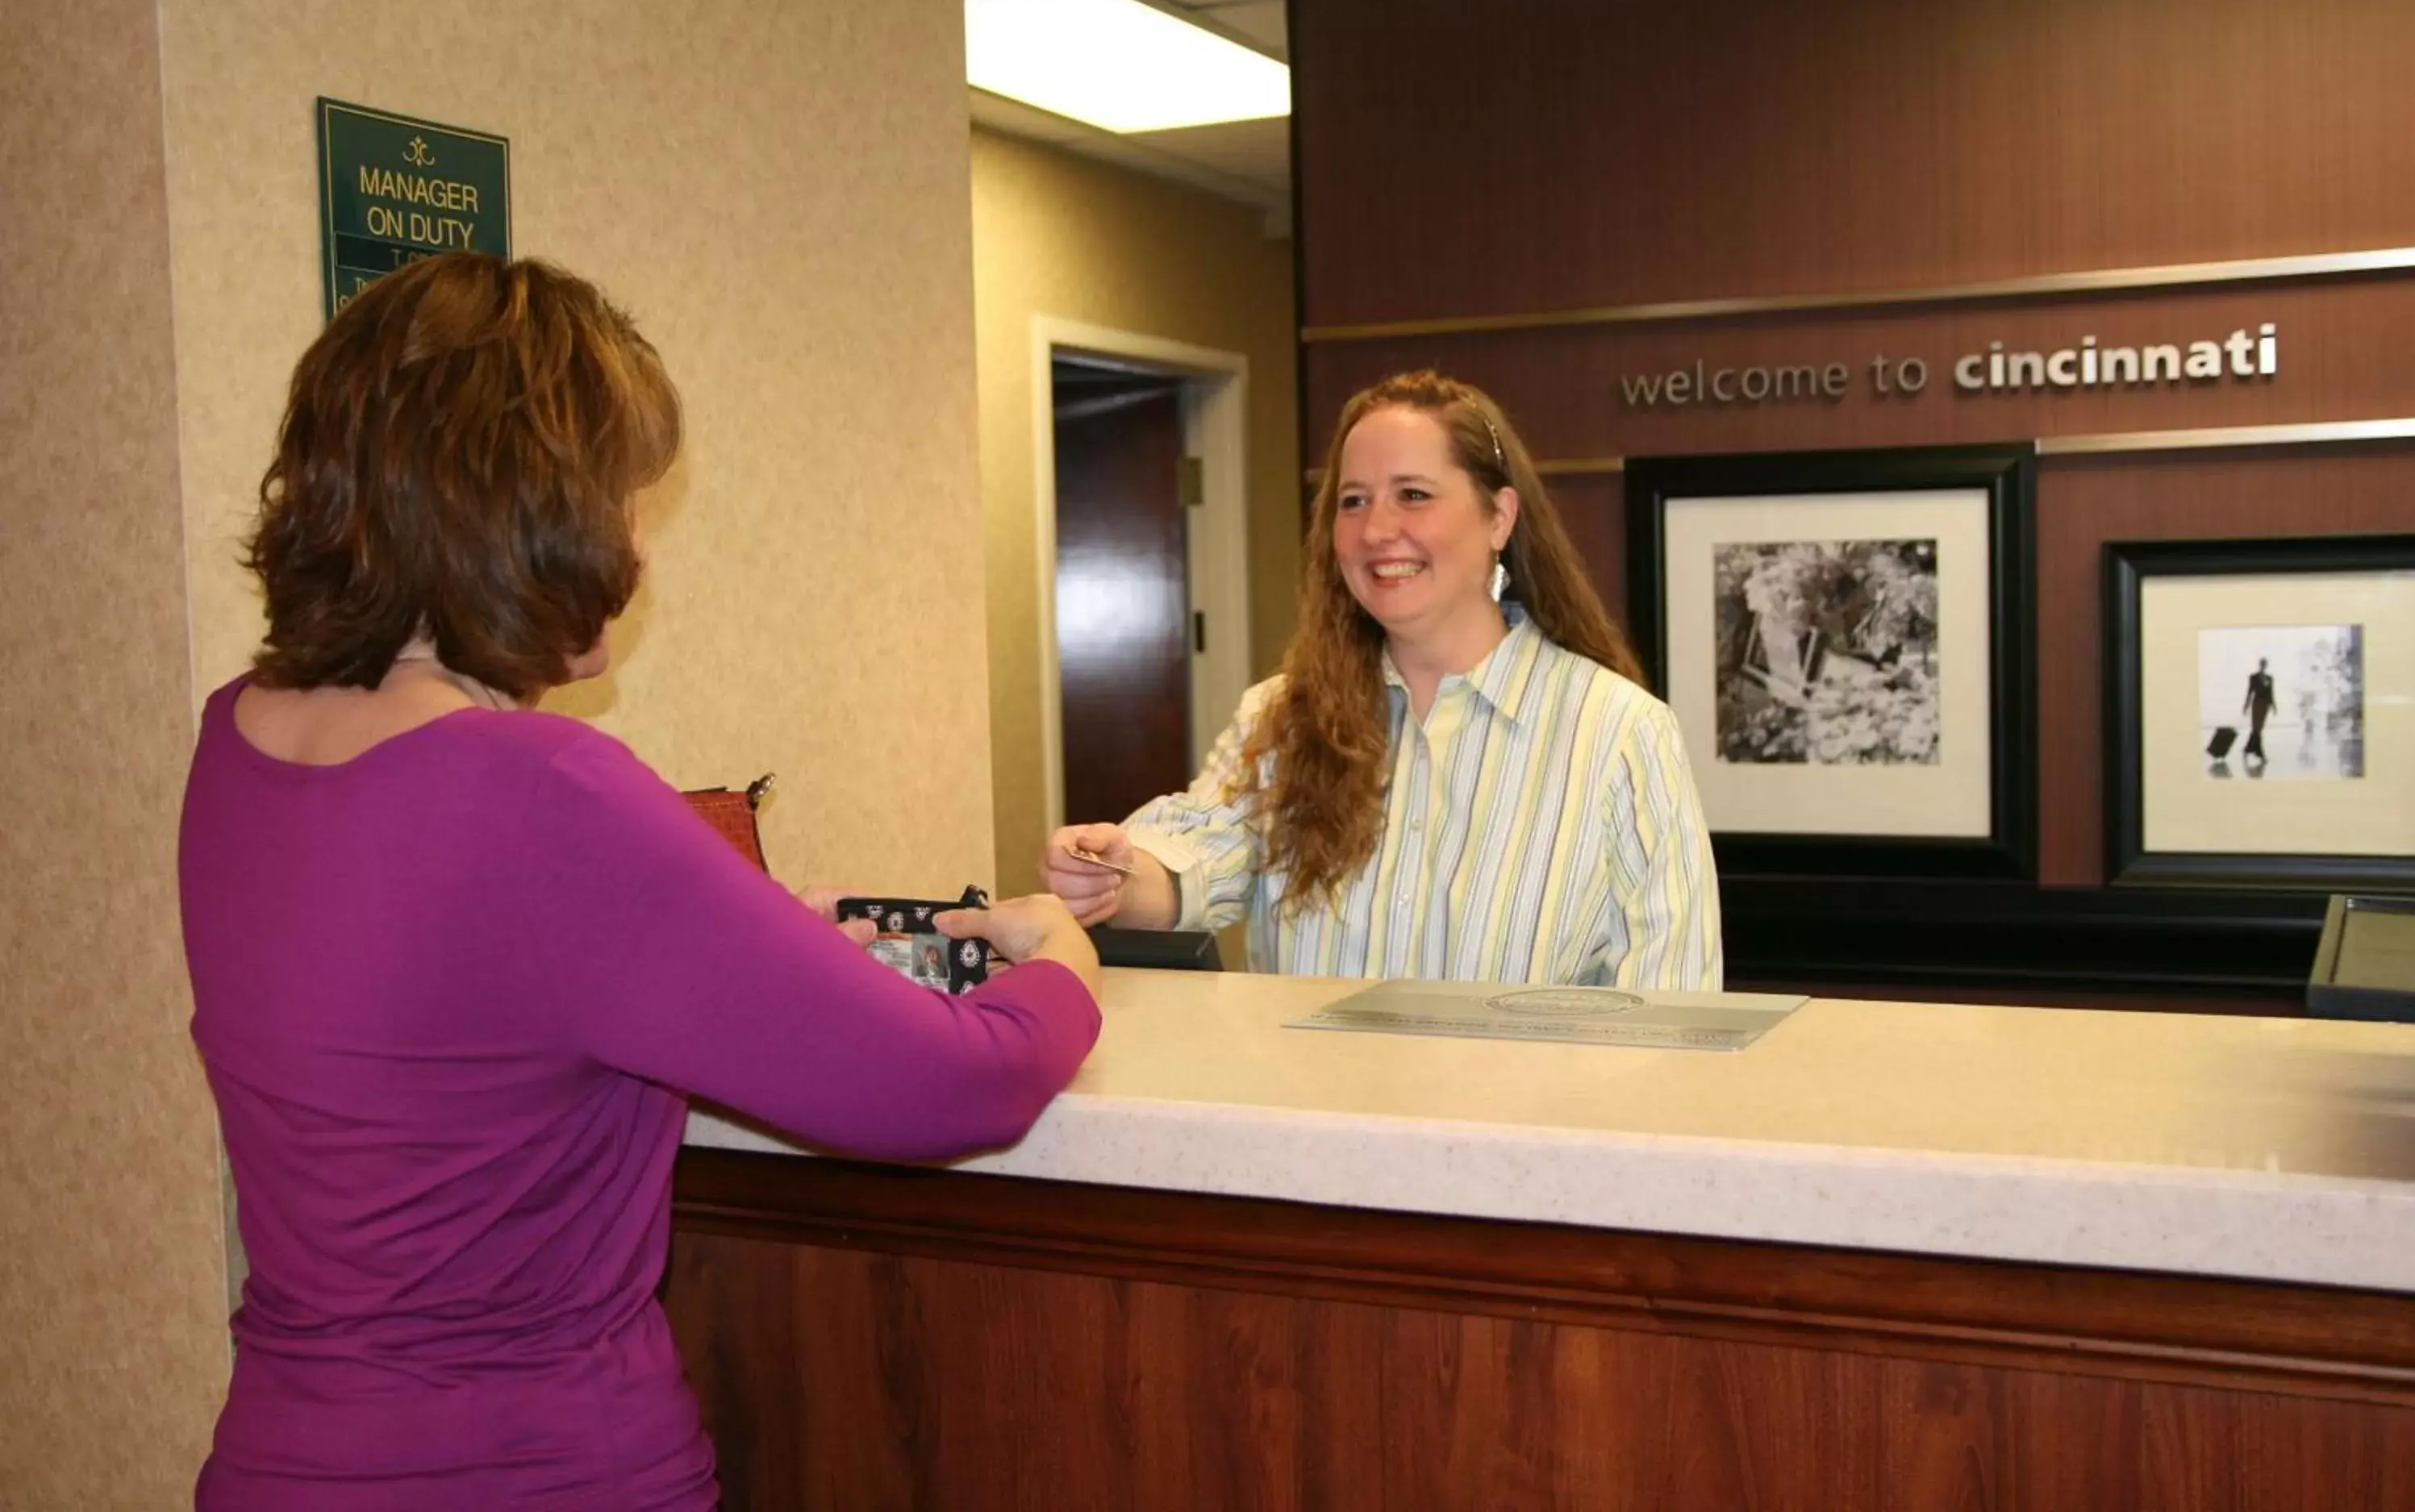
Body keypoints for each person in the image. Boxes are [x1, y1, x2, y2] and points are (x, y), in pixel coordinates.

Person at [180, 253, 1103, 1510]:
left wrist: (738, 935)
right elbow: (959, 1082)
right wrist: (1062, 966)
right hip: (531, 1475)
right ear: (523, 511)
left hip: (281, 1467)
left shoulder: (234, 741)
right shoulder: (546, 786)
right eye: (619, 501)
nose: (635, 550)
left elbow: (445, 1025)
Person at [1043, 369, 1721, 988]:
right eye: (1354, 501)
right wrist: (1107, 875)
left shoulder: (1619, 733)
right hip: (1313, 1122)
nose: (1377, 530)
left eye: (1414, 496)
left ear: (1499, 517)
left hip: (1521, 1124)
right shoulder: (1283, 715)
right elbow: (1196, 862)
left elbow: (1673, 1008)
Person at [2243, 657, 2277, 763]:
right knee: (2256, 728)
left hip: (2265, 706)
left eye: (2264, 664)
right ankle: (2259, 752)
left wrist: (2274, 706)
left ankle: (2248, 748)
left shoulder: (2270, 678)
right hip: (2257, 704)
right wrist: (2246, 705)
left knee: (2258, 729)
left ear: (2266, 666)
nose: (2263, 666)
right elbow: (2250, 692)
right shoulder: (2253, 677)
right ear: (2260, 665)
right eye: (2262, 664)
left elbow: (2271, 693)